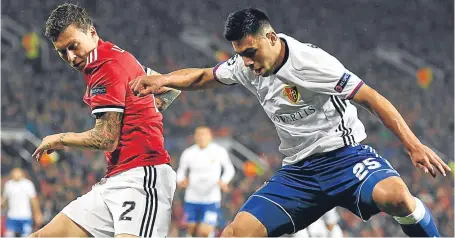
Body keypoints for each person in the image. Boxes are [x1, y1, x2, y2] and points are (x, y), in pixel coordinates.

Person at [129, 8, 451, 237]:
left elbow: (371, 98)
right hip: (299, 172)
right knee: (237, 233)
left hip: (345, 157)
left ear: (270, 37)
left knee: (397, 197)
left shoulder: (312, 63)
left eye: (251, 52)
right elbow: (203, 75)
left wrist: (414, 145)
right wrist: (163, 81)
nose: (247, 63)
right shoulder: (246, 65)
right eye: (241, 54)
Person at [30, 3, 180, 237]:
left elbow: (106, 139)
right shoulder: (115, 54)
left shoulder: (103, 65)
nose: (70, 57)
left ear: (92, 32)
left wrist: (59, 139)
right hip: (115, 179)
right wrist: (142, 111)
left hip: (141, 177)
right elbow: (168, 90)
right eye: (62, 52)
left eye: (73, 46)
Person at [176, 126, 235, 237]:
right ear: (195, 137)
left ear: (210, 136)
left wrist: (224, 181)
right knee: (191, 229)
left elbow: (229, 169)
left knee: (205, 231)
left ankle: (210, 234)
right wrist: (180, 180)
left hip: (211, 198)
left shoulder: (219, 151)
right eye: (199, 134)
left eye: (204, 134)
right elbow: (181, 171)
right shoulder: (188, 153)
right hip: (192, 196)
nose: (201, 137)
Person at [1, 168, 43, 237]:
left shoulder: (28, 184)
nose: (16, 174)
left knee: (26, 235)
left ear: (22, 173)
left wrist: (37, 213)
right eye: (14, 172)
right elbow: (4, 200)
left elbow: (33, 201)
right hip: (12, 216)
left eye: (18, 172)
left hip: (25, 216)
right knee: (8, 235)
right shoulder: (8, 185)